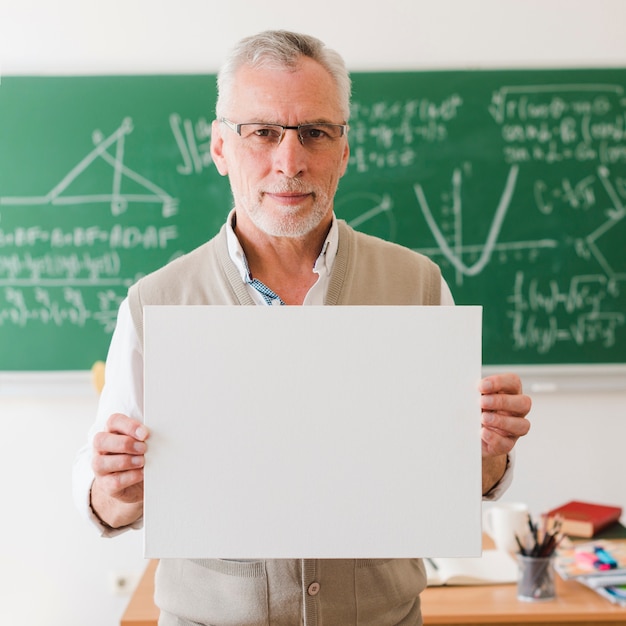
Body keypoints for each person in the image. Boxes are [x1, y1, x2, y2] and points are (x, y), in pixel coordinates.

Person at [73, 30, 531, 626]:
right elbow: (108, 502)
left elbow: (461, 474)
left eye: (315, 133)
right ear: (219, 147)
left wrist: (491, 453)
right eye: (262, 132)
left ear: (343, 151)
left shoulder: (417, 288)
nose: (289, 162)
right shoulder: (155, 304)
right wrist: (114, 488)